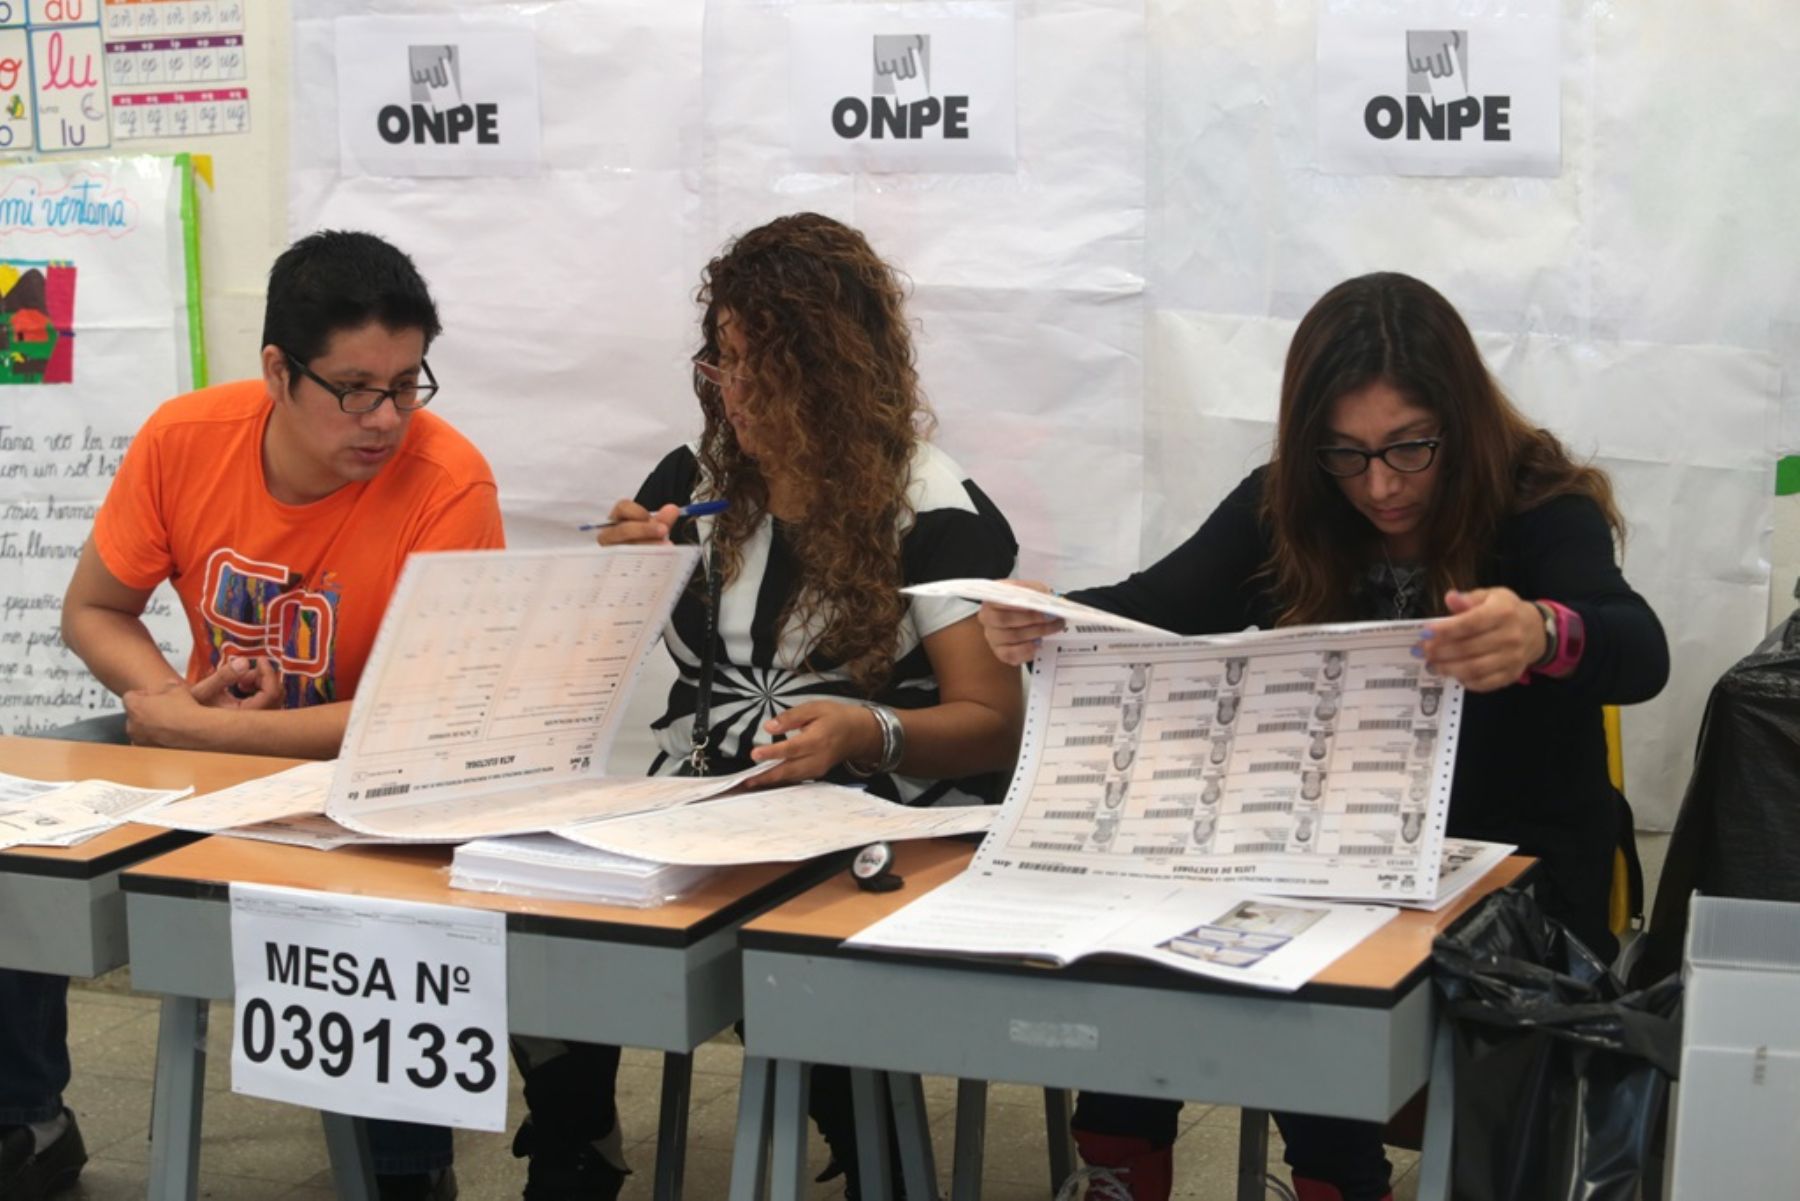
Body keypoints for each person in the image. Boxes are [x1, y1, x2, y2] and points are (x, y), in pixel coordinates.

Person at [978, 272, 1669, 1201]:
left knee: (1316, 961)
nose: (1379, 485)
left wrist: (1543, 631)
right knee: (1158, 937)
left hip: (1515, 877)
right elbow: (1156, 613)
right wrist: (1046, 617)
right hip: (1341, 854)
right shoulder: (1292, 505)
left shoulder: (1538, 504)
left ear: (1460, 423)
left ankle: (1335, 1179)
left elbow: (1639, 648)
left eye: (1409, 449)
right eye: (1345, 454)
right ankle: (1119, 1163)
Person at [2, 231, 503, 1201]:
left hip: (375, 770)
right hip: (200, 745)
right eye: (356, 388)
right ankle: (28, 1115)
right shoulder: (187, 436)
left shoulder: (451, 482)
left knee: (395, 876)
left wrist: (209, 732)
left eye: (407, 385)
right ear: (278, 369)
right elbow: (93, 609)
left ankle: (407, 1167)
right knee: (22, 828)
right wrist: (162, 697)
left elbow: (429, 719)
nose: (386, 417)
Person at [557, 211, 1023, 1200]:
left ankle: (861, 1139)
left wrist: (870, 728)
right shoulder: (696, 480)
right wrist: (621, 579)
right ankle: (569, 1148)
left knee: (799, 944)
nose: (736, 392)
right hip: (706, 809)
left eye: (762, 365)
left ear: (837, 371)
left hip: (878, 821)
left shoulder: (933, 510)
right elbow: (595, 673)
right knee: (546, 911)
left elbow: (994, 720)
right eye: (722, 360)